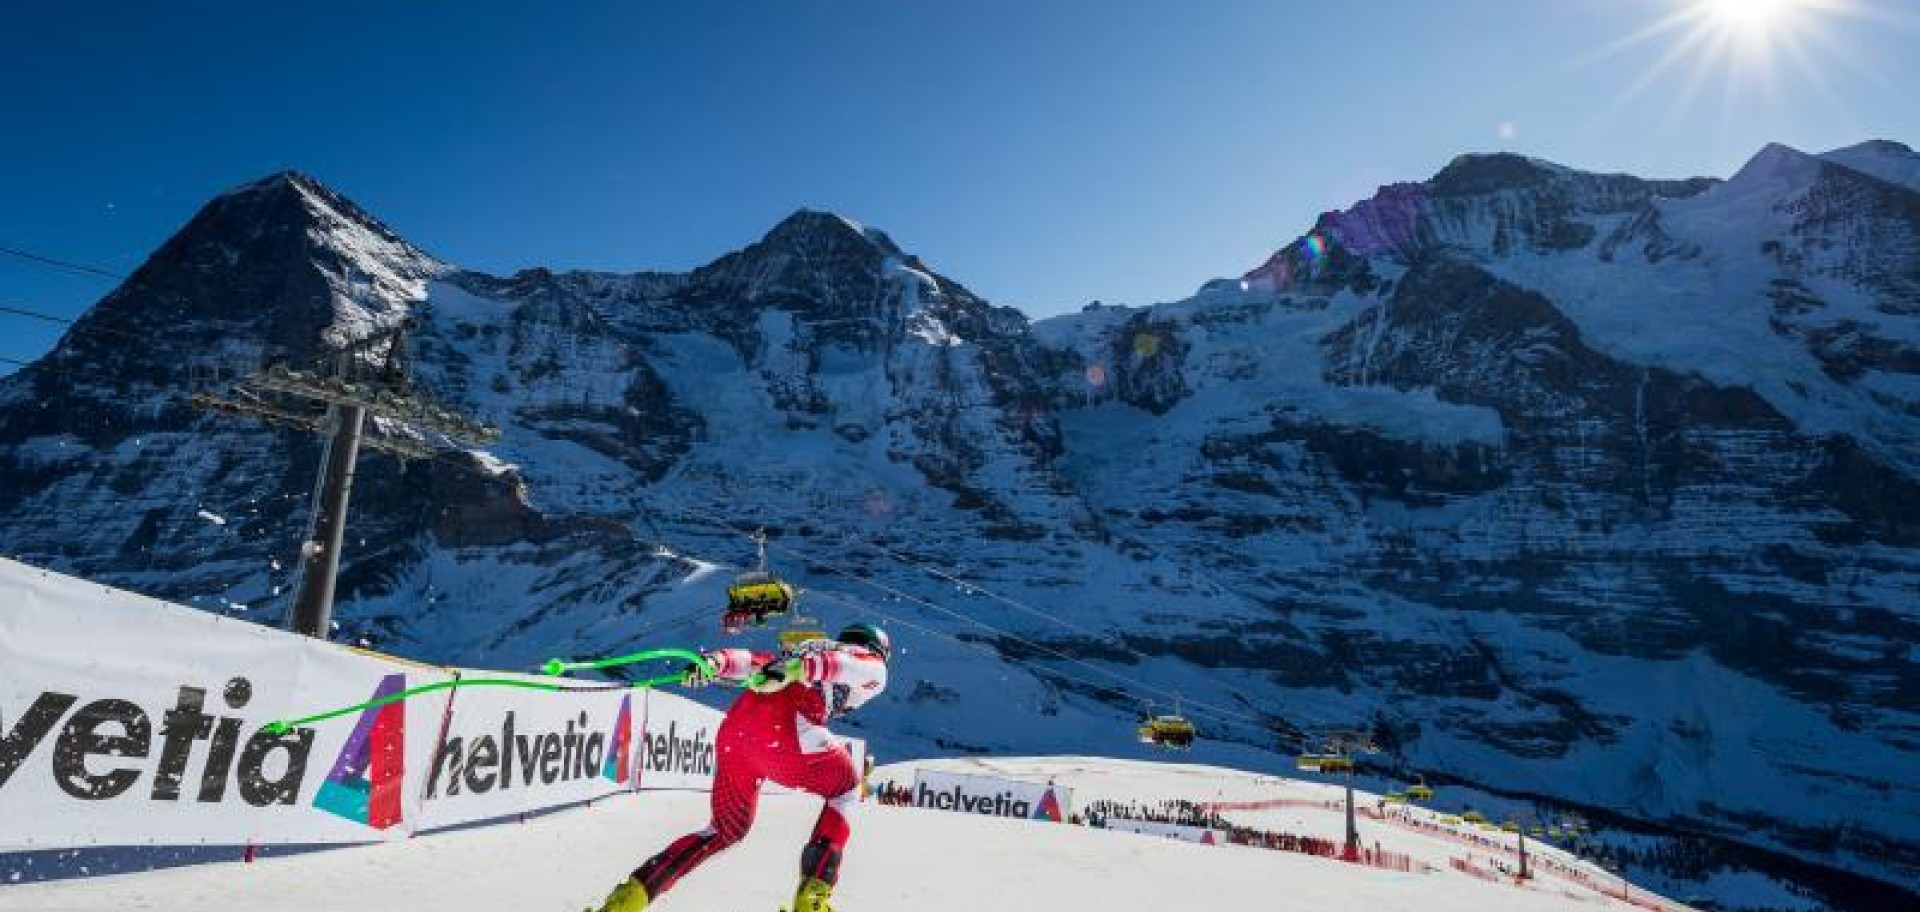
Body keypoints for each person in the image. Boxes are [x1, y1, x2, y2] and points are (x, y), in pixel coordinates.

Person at [589, 623, 891, 912]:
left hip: (737, 731)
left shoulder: (806, 646)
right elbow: (854, 666)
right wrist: (800, 669)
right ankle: (812, 901)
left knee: (724, 830)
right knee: (847, 790)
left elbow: (751, 661)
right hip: (786, 731)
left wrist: (714, 662)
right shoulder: (870, 663)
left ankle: (627, 900)